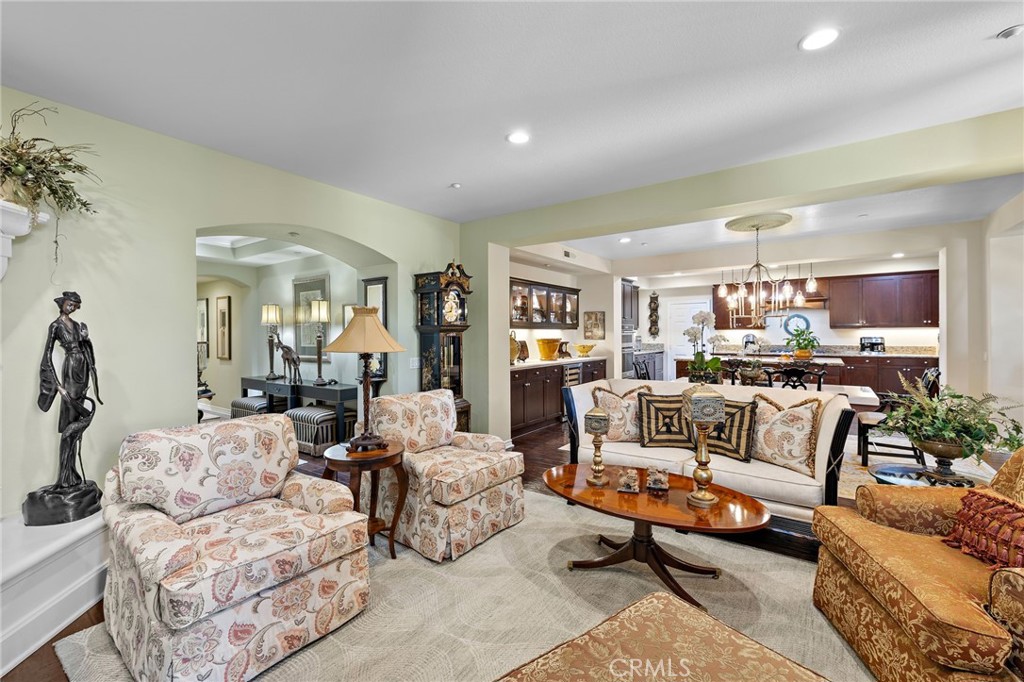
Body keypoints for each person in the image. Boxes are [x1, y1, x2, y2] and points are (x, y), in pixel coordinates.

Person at [38, 291, 102, 489]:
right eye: (69, 304)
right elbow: (47, 356)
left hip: (81, 367)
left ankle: (72, 477)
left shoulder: (77, 326)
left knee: (77, 421)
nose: (72, 307)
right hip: (70, 369)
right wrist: (58, 386)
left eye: (75, 305)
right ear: (62, 303)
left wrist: (86, 339)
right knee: (69, 422)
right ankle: (65, 476)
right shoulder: (56, 326)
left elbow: (85, 348)